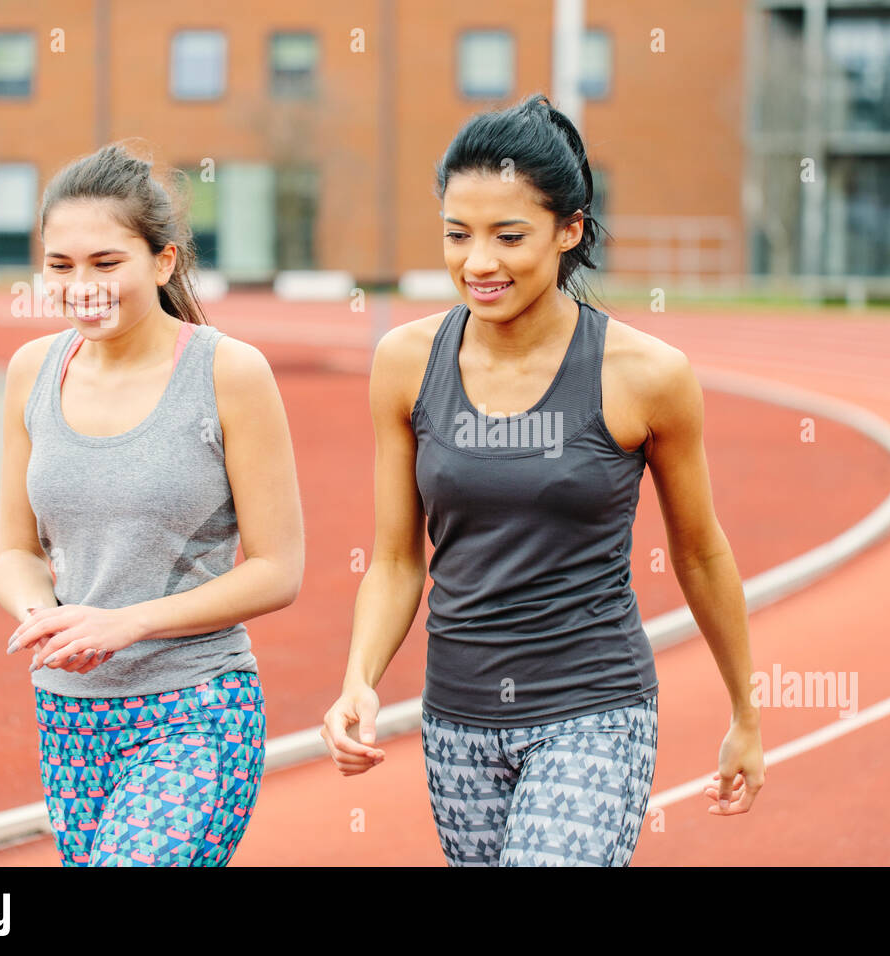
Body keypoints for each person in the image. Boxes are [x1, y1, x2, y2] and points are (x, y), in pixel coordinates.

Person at [321, 94, 764, 866]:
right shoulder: (404, 363)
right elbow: (396, 560)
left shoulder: (647, 376)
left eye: (508, 236)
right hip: (457, 716)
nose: (478, 262)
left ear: (570, 230)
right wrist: (359, 678)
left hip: (593, 709)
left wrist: (746, 711)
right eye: (457, 235)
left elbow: (700, 552)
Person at [0, 143, 304, 866]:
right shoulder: (31, 372)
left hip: (194, 711)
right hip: (68, 716)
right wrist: (41, 616)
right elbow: (14, 550)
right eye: (60, 266)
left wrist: (128, 623)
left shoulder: (228, 371)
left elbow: (277, 570)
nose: (82, 287)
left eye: (107, 264)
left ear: (163, 262)